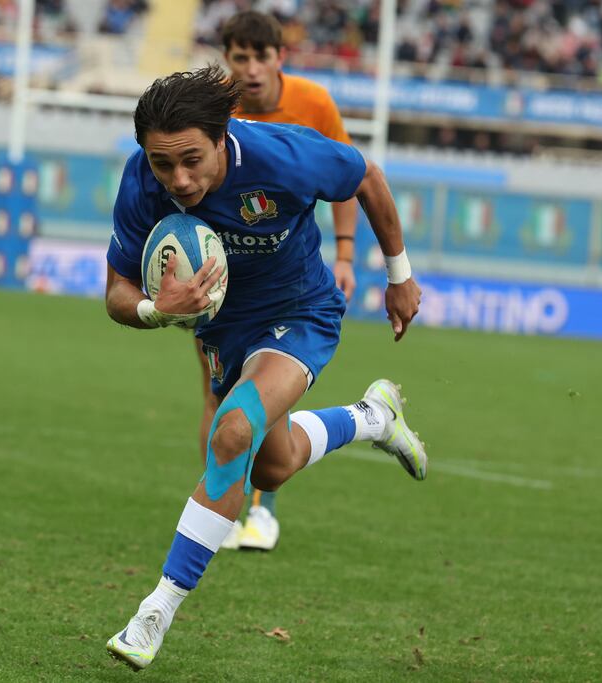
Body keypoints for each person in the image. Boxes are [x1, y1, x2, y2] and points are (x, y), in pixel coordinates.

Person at [103, 66, 426, 671]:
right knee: (272, 468)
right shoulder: (140, 183)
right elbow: (116, 294)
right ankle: (374, 417)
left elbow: (368, 179)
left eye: (191, 160)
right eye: (161, 164)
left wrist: (399, 275)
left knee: (231, 431)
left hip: (300, 311)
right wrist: (155, 308)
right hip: (226, 332)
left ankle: (156, 610)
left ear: (223, 138)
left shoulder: (283, 155)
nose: (178, 178)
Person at [210, 9, 361, 552]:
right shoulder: (215, 107)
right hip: (222, 276)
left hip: (289, 270)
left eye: (261, 56)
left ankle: (261, 510)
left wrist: (345, 255)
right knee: (221, 395)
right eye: (239, 57)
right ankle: (223, 508)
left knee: (267, 388)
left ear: (280, 57)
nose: (250, 68)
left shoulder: (313, 104)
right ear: (227, 60)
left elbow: (351, 177)